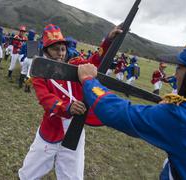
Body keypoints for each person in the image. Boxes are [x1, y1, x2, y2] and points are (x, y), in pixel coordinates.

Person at [76, 7, 186, 179]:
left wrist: (89, 81)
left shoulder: (183, 117)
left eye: (180, 68)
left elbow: (120, 112)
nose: (175, 74)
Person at [18, 24, 117, 180]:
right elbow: (45, 99)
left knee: (73, 176)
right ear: (46, 51)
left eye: (62, 49)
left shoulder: (76, 65)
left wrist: (109, 41)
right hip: (51, 127)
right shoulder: (39, 73)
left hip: (75, 128)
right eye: (55, 49)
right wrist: (66, 107)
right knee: (29, 173)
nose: (60, 53)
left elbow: (94, 62)